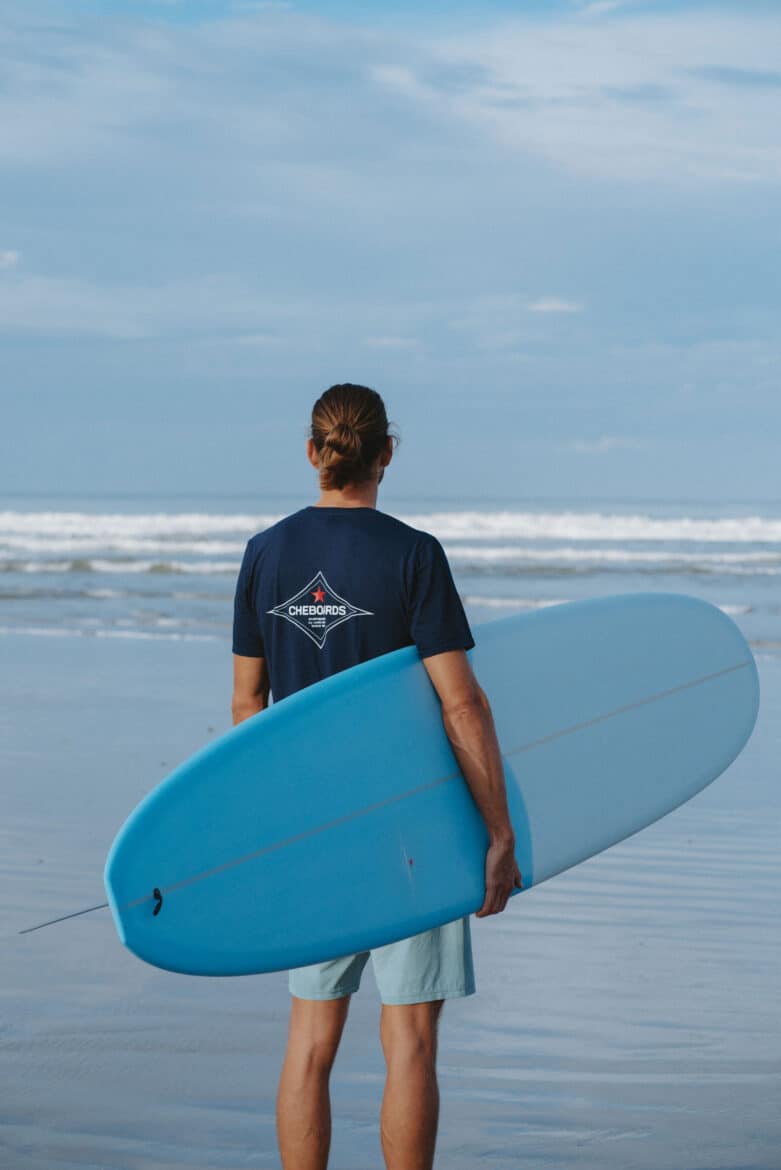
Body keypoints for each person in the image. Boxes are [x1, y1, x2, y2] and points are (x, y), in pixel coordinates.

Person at [231, 383, 522, 1170]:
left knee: (311, 1038)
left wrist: (268, 831)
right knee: (411, 1041)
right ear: (386, 452)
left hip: (312, 826)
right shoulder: (412, 554)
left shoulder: (265, 552)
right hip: (410, 828)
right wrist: (498, 832)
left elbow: (247, 706)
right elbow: (460, 705)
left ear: (312, 451)